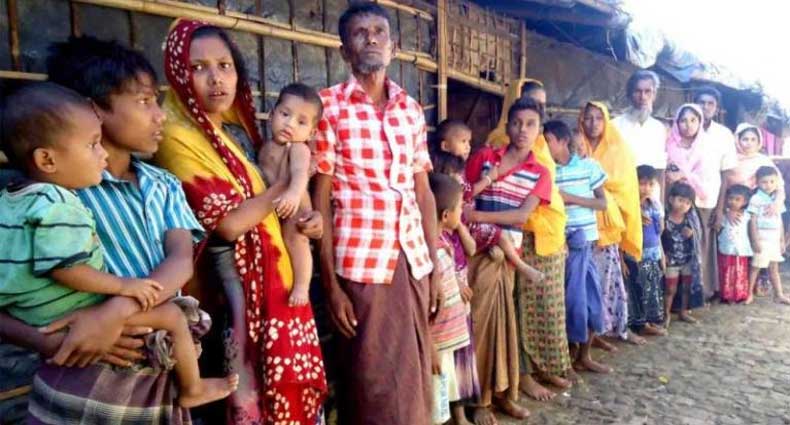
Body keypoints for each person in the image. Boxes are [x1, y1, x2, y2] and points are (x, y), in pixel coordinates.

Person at [0, 35, 211, 424]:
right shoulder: (51, 198)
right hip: (83, 380)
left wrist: (113, 313)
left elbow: (181, 261)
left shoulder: (163, 185)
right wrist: (48, 340)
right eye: (145, 101)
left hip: (159, 377)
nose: (160, 116)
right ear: (93, 110)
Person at [155, 20, 327, 424]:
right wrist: (287, 186)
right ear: (178, 73)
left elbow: (276, 200)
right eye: (198, 68)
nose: (216, 79)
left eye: (225, 65)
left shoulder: (239, 132)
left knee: (287, 388)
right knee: (248, 392)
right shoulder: (178, 138)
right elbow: (229, 225)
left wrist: (310, 217)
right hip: (234, 294)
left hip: (279, 278)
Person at [311, 3, 437, 424]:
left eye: (379, 31)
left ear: (393, 46)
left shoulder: (411, 110)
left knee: (415, 375)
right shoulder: (328, 107)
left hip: (413, 261)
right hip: (361, 267)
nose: (371, 39)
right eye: (360, 32)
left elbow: (423, 193)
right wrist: (331, 286)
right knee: (370, 381)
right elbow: (321, 200)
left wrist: (435, 268)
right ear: (344, 50)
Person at [464, 98, 551, 421]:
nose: (522, 130)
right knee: (478, 324)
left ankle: (502, 393)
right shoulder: (485, 158)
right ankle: (478, 400)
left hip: (507, 256)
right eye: (516, 123)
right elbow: (464, 194)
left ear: (539, 130)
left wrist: (479, 216)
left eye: (530, 124)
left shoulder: (540, 173)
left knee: (504, 327)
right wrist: (474, 215)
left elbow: (521, 216)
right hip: (474, 251)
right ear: (507, 126)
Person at [485, 78, 570, 403]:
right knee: (520, 309)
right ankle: (523, 376)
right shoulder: (498, 146)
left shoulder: (541, 145)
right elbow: (501, 199)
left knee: (546, 309)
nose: (535, 112)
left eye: (540, 108)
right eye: (530, 102)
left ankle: (542, 366)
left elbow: (551, 192)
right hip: (520, 235)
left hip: (549, 235)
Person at [432, 120, 541, 280]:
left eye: (469, 142)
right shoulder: (452, 170)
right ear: (445, 146)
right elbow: (467, 192)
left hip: (455, 220)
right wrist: (488, 179)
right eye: (463, 141)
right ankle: (521, 265)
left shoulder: (445, 166)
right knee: (498, 235)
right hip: (461, 220)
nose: (468, 147)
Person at [544, 120, 610, 375]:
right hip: (559, 245)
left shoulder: (588, 166)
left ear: (563, 141)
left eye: (548, 141)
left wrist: (570, 199)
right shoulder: (547, 170)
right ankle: (569, 356)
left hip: (585, 243)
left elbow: (602, 203)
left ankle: (584, 355)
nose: (544, 146)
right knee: (570, 302)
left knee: (590, 300)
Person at [577, 101, 645, 347]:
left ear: (606, 121)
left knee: (607, 280)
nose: (593, 123)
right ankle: (588, 335)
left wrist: (598, 189)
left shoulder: (619, 150)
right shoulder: (575, 145)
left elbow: (625, 188)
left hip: (607, 224)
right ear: (581, 120)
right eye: (588, 118)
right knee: (584, 282)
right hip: (580, 224)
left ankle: (605, 329)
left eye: (598, 118)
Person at [425, 152, 480, 425]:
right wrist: (431, 347)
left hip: (446, 342)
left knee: (443, 398)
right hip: (437, 343)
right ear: (446, 215)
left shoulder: (443, 243)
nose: (463, 211)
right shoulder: (431, 253)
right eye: (459, 207)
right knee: (434, 403)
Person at [256, 83, 323, 306]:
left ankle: (302, 286)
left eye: (301, 122)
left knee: (296, 241)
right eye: (285, 114)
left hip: (295, 210)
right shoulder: (265, 146)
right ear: (271, 115)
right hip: (273, 208)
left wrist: (293, 194)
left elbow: (300, 172)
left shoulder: (298, 148)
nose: (290, 124)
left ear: (311, 132)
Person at [666, 103, 733, 301]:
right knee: (673, 246)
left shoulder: (707, 147)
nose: (688, 125)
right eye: (683, 120)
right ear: (677, 122)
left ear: (700, 122)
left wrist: (683, 175)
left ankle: (697, 295)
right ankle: (673, 299)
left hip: (702, 201)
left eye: (693, 120)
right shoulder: (670, 145)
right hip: (675, 202)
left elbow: (712, 177)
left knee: (698, 246)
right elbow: (666, 174)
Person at [612, 70, 667, 200]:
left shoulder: (659, 128)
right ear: (629, 94)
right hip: (623, 196)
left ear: (654, 95)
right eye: (638, 91)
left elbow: (660, 171)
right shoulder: (614, 126)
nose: (643, 97)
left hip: (650, 200)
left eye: (648, 91)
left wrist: (661, 206)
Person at [628, 165, 667, 336]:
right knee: (640, 290)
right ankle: (640, 323)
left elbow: (660, 231)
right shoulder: (631, 205)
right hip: (637, 255)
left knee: (652, 289)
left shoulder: (655, 204)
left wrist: (662, 255)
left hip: (653, 253)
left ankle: (650, 321)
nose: (646, 188)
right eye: (642, 184)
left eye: (651, 184)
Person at [746, 166, 790, 305]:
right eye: (764, 182)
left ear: (777, 182)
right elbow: (752, 220)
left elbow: (779, 221)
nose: (768, 185)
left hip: (774, 238)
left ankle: (779, 294)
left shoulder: (777, 200)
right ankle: (748, 294)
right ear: (757, 182)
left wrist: (782, 240)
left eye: (772, 181)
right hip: (762, 237)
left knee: (774, 267)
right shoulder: (756, 199)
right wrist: (755, 240)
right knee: (756, 267)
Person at [662, 182, 703, 327]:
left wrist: (692, 235)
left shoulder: (690, 219)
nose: (683, 205)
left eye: (687, 202)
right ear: (671, 199)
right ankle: (666, 314)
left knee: (686, 287)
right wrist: (663, 255)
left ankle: (683, 311)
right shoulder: (664, 219)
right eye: (680, 200)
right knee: (670, 289)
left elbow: (698, 236)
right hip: (671, 260)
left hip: (688, 259)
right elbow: (659, 238)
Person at [717, 184, 754, 303]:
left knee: (740, 271)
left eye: (737, 199)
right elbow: (718, 227)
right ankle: (726, 295)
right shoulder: (724, 214)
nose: (733, 201)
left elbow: (751, 231)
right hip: (726, 248)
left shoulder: (747, 215)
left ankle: (739, 294)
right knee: (726, 271)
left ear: (745, 201)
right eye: (731, 198)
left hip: (740, 248)